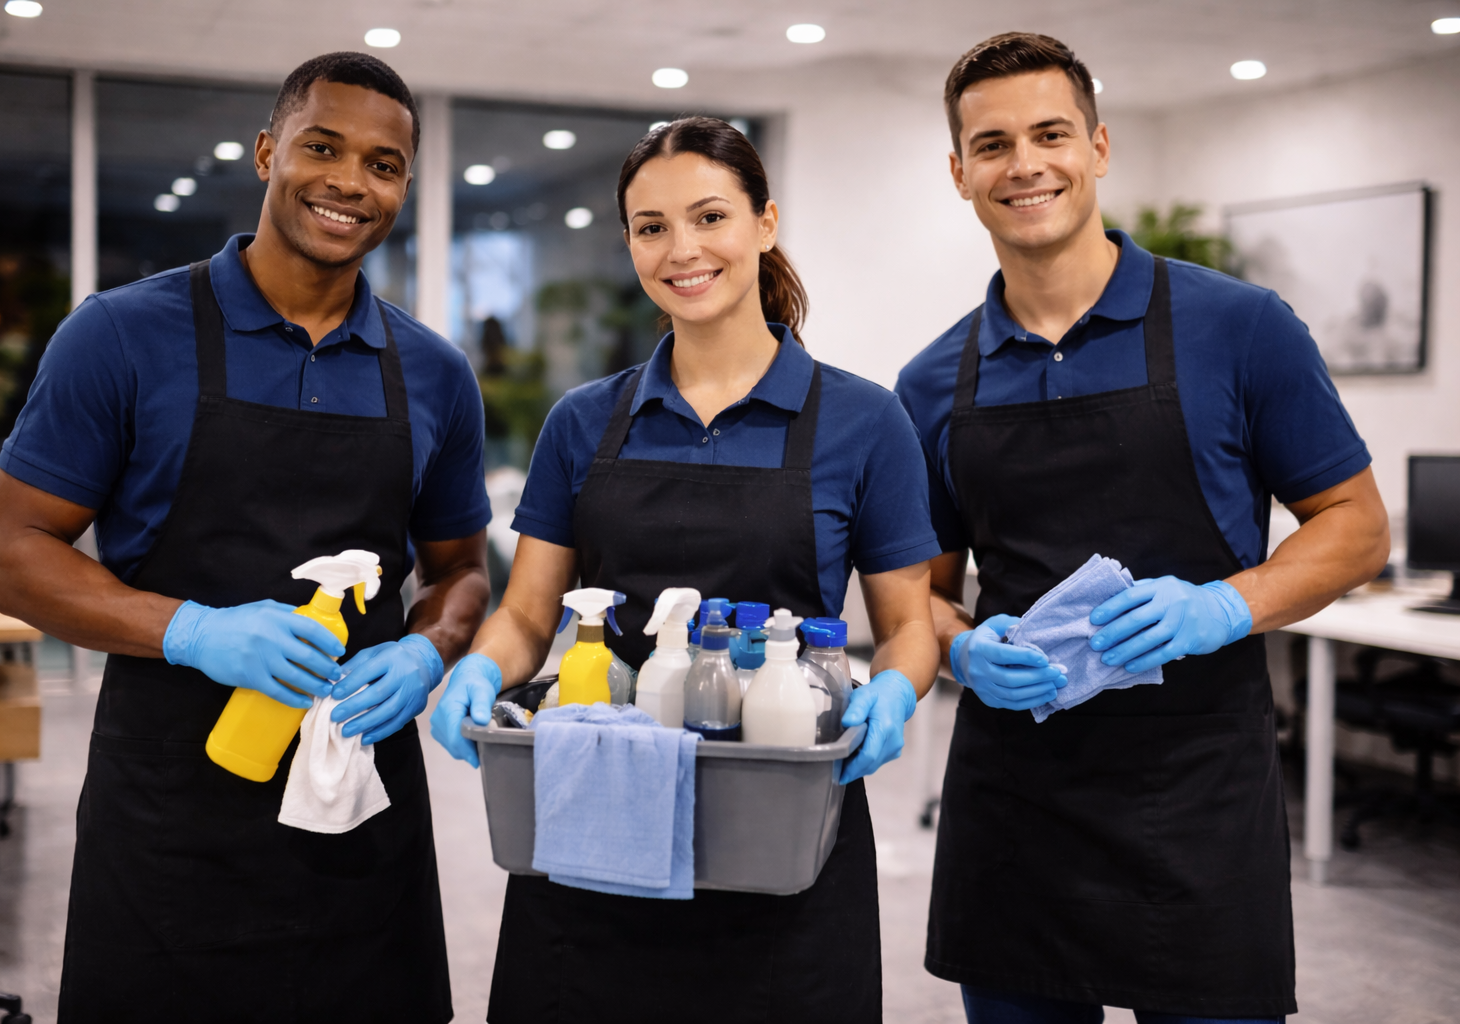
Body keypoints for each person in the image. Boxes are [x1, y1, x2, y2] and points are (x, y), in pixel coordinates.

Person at [0, 52, 491, 1022]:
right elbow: (11, 554)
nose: (350, 181)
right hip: (168, 823)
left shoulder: (434, 373)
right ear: (266, 152)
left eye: (383, 164)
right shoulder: (122, 336)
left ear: (405, 188)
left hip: (360, 815)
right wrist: (192, 631)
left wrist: (428, 650)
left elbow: (462, 571)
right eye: (322, 147)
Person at [894, 33, 1391, 1024]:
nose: (1024, 163)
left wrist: (1225, 605)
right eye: (991, 144)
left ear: (1100, 146)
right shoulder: (932, 382)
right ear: (959, 173)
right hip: (1015, 809)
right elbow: (916, 589)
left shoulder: (1240, 328)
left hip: (1196, 801)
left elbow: (1357, 526)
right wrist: (960, 648)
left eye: (1050, 133)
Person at [429, 116, 941, 1023]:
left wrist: (895, 691)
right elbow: (527, 614)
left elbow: (907, 624)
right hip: (598, 803)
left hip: (779, 819)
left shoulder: (864, 423)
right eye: (651, 226)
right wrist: (479, 665)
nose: (682, 250)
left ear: (765, 223)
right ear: (628, 241)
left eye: (710, 217)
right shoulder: (584, 421)